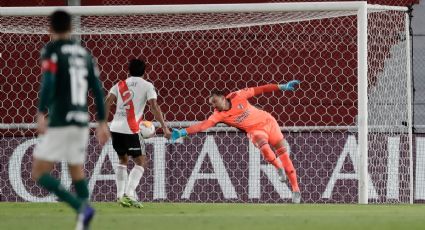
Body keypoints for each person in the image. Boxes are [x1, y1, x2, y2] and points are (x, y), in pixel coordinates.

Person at [32, 10, 110, 230]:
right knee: (77, 170)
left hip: (61, 120)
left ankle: (80, 207)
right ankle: (83, 224)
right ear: (71, 28)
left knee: (38, 172)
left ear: (50, 29)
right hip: (81, 121)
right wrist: (102, 122)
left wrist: (40, 112)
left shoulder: (52, 50)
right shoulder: (85, 54)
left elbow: (48, 82)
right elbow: (97, 88)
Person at [171, 81, 302, 203]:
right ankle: (278, 168)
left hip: (269, 122)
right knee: (265, 149)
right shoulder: (218, 115)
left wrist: (282, 86)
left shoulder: (238, 95)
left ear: (223, 97)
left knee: (285, 157)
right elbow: (202, 126)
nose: (214, 106)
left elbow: (261, 89)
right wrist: (183, 132)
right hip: (255, 131)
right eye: (211, 104)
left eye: (215, 101)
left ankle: (296, 190)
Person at [104, 58, 171, 208]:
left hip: (115, 127)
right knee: (141, 162)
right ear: (144, 71)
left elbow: (107, 101)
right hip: (131, 128)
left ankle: (120, 195)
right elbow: (153, 105)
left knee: (123, 160)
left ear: (129, 70)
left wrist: (102, 123)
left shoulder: (119, 84)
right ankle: (129, 194)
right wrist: (164, 127)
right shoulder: (147, 85)